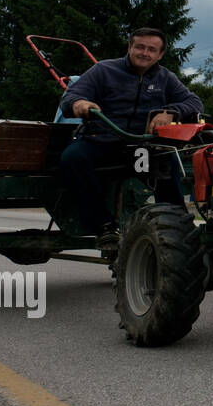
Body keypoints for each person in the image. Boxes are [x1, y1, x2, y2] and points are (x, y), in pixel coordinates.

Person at [57, 28, 203, 255]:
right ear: (130, 48)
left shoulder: (165, 78)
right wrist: (81, 104)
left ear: (160, 54)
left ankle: (180, 227)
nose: (144, 53)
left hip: (140, 148)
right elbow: (71, 97)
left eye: (151, 49)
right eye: (140, 47)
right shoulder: (104, 70)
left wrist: (170, 111)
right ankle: (104, 226)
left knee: (166, 164)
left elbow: (194, 103)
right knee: (72, 158)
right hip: (102, 142)